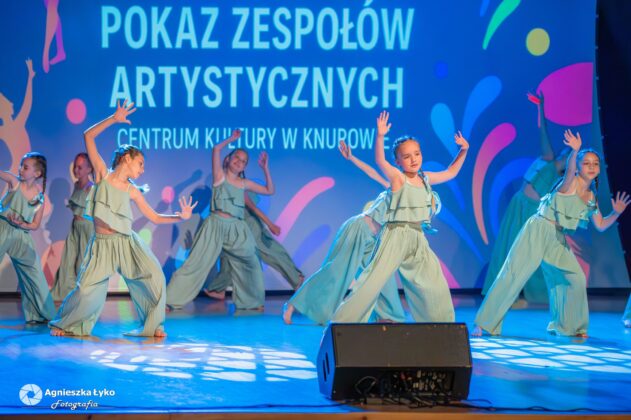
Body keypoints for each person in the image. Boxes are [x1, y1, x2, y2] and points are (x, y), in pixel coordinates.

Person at [49, 100, 197, 337]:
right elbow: (88, 136)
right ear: (127, 158)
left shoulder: (132, 190)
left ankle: (153, 325)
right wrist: (113, 119)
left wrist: (181, 216)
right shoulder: (101, 174)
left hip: (127, 242)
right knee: (86, 290)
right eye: (141, 163)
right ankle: (66, 324)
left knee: (154, 277)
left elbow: (154, 217)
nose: (143, 169)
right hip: (102, 244)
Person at [474, 130, 630, 337]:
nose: (591, 167)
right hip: (539, 228)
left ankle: (569, 326)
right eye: (586, 163)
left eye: (595, 164)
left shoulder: (591, 196)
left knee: (575, 277)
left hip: (557, 238)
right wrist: (574, 151)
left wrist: (616, 213)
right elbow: (569, 171)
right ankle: (484, 323)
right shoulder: (570, 182)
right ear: (578, 167)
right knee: (513, 274)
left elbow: (600, 224)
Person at [332, 111, 469, 323]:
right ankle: (341, 322)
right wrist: (380, 136)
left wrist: (464, 150)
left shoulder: (425, 178)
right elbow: (379, 161)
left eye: (417, 154)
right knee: (371, 282)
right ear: (398, 161)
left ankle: (442, 326)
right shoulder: (398, 178)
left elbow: (451, 172)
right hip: (395, 235)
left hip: (417, 236)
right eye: (406, 156)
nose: (413, 159)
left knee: (434, 282)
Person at [282, 140, 406, 325]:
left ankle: (387, 315)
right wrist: (352, 158)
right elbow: (373, 172)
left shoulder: (411, 196)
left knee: (381, 276)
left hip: (374, 240)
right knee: (335, 271)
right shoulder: (397, 185)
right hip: (359, 229)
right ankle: (294, 304)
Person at [166, 129, 274, 311]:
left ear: (245, 167)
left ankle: (252, 302)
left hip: (237, 228)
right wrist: (232, 138)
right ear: (228, 159)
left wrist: (265, 169)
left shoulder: (244, 183)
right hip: (215, 225)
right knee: (195, 263)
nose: (239, 162)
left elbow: (269, 190)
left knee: (251, 261)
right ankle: (170, 300)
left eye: (243, 161)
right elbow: (216, 149)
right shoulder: (219, 176)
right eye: (236, 157)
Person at [482, 92, 567, 304]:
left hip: (532, 211)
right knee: (507, 248)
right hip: (518, 204)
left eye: (572, 154)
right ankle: (503, 292)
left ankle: (531, 292)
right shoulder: (547, 158)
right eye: (567, 152)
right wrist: (540, 108)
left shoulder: (562, 177)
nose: (567, 154)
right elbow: (543, 133)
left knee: (526, 251)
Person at [202, 192, 304, 300]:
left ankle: (296, 278)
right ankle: (219, 289)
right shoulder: (221, 191)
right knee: (229, 256)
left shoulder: (236, 188)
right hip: (235, 228)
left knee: (267, 252)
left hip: (249, 225)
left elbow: (254, 208)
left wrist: (271, 225)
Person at [0, 152, 56, 322]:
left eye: (25, 167)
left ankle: (43, 315)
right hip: (3, 229)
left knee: (34, 272)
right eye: (21, 166)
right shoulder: (15, 182)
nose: (20, 169)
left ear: (37, 173)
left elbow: (35, 225)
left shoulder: (39, 198)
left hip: (21, 235)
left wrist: (22, 224)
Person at [50, 153, 94, 301]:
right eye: (75, 166)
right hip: (75, 227)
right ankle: (64, 294)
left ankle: (84, 296)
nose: (76, 170)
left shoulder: (91, 188)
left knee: (82, 262)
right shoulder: (76, 185)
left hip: (86, 228)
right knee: (67, 261)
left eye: (80, 167)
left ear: (89, 169)